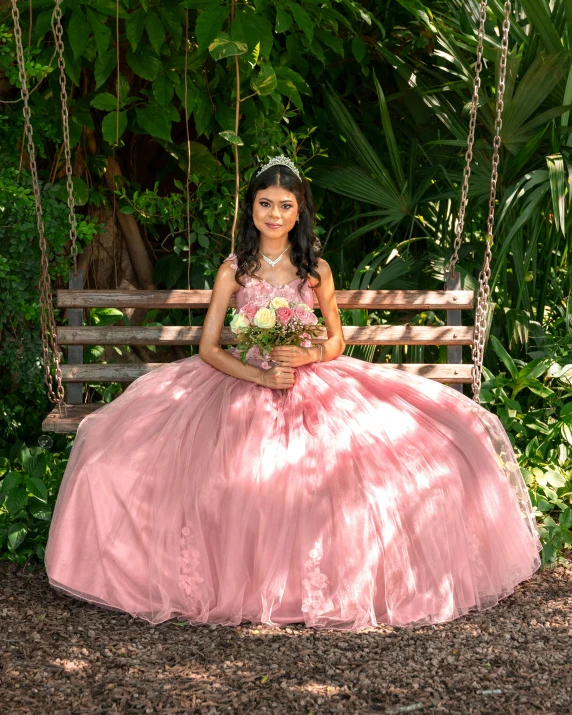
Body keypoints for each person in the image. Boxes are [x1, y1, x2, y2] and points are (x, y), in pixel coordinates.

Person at [44, 156, 542, 630]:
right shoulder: (234, 271)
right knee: (160, 462)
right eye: (265, 203)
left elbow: (337, 340)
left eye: (285, 205)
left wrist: (306, 356)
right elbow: (209, 347)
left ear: (299, 210)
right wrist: (258, 376)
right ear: (251, 208)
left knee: (366, 462)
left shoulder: (314, 270)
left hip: (312, 383)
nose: (275, 214)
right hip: (246, 382)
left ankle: (320, 583)